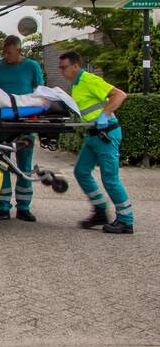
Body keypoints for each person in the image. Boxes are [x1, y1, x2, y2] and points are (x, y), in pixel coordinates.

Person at [58, 51, 133, 234]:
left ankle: (126, 220)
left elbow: (120, 95)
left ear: (75, 66)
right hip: (94, 135)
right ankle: (100, 211)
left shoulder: (89, 80)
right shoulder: (76, 85)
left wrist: (104, 115)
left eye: (63, 67)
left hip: (106, 134)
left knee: (110, 179)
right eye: (59, 67)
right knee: (81, 171)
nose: (61, 71)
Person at [0, 35, 44, 223]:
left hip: (25, 122)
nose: (6, 56)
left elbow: (39, 91)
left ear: (20, 51)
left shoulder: (32, 67)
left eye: (10, 52)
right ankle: (2, 207)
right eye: (5, 52)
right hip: (3, 123)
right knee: (2, 164)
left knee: (24, 166)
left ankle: (24, 208)